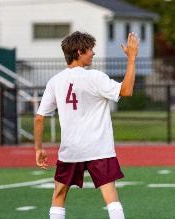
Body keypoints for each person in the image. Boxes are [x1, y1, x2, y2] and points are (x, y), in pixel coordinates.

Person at [34, 31, 140, 219]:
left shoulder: (55, 81)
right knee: (111, 198)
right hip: (99, 148)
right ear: (79, 52)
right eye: (90, 49)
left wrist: (38, 148)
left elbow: (40, 118)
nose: (93, 53)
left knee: (58, 196)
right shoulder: (95, 77)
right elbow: (127, 90)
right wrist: (131, 58)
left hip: (71, 150)